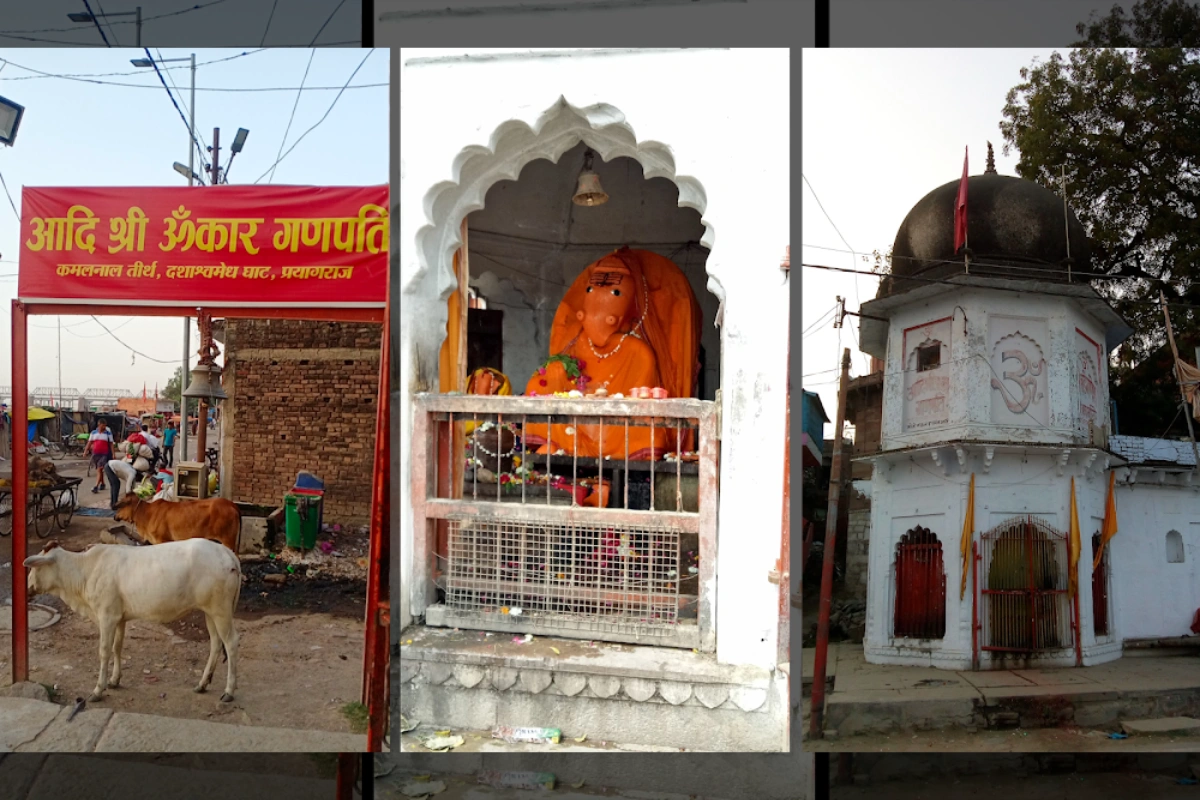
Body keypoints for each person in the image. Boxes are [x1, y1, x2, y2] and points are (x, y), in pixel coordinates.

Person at [84, 420, 115, 494]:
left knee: (99, 469)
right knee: (99, 470)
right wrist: (85, 451)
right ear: (99, 425)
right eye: (103, 425)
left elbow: (111, 444)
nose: (104, 427)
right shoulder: (93, 433)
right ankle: (103, 484)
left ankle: (96, 486)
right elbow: (89, 442)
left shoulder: (108, 433)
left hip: (104, 454)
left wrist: (113, 453)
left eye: (105, 425)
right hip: (95, 454)